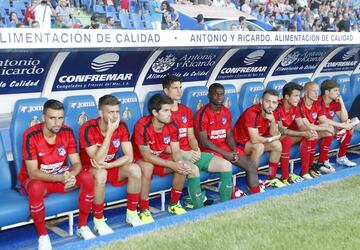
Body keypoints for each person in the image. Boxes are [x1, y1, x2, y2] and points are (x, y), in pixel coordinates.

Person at [18, 100, 95, 250]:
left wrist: (71, 175)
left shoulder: (67, 132)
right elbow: (33, 173)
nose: (57, 123)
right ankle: (43, 236)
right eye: (52, 118)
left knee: (87, 177)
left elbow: (77, 163)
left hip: (61, 177)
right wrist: (60, 178)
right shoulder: (31, 135)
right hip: (39, 180)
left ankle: (82, 227)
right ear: (43, 117)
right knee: (35, 187)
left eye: (60, 118)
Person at [163, 75, 234, 204]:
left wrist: (195, 149)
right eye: (175, 88)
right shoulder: (162, 113)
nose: (179, 91)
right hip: (173, 155)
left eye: (180, 88)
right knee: (193, 169)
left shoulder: (186, 111)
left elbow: (191, 136)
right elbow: (162, 146)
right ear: (166, 91)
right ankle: (197, 208)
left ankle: (226, 206)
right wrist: (185, 153)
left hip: (190, 153)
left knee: (226, 165)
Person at [133, 94, 202, 223]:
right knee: (148, 167)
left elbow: (176, 152)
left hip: (160, 157)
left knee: (182, 164)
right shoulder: (142, 126)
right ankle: (143, 209)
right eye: (165, 110)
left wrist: (179, 163)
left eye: (170, 110)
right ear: (154, 112)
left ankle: (174, 204)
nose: (170, 114)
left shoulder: (172, 125)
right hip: (140, 160)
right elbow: (146, 156)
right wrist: (172, 165)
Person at [79, 95, 144, 234]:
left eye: (117, 112)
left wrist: (110, 165)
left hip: (109, 167)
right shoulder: (87, 128)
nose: (115, 116)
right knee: (101, 173)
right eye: (110, 112)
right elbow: (97, 160)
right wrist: (109, 134)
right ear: (100, 113)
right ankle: (98, 221)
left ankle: (132, 214)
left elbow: (129, 156)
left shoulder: (122, 125)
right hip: (89, 169)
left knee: (135, 169)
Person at [195, 83, 260, 194]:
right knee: (227, 165)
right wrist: (225, 153)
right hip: (209, 149)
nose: (219, 97)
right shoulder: (202, 114)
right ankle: (231, 194)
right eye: (216, 94)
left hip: (224, 146)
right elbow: (204, 142)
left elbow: (229, 134)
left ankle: (256, 194)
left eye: (221, 94)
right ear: (209, 95)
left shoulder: (226, 111)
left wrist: (233, 149)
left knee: (251, 166)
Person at [233, 90, 284, 188]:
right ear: (261, 101)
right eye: (267, 101)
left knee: (277, 145)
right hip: (240, 142)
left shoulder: (274, 113)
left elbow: (273, 134)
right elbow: (255, 140)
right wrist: (270, 139)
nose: (270, 105)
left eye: (274, 102)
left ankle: (272, 178)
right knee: (259, 147)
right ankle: (253, 182)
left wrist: (273, 121)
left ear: (277, 104)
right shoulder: (252, 112)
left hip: (256, 141)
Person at [290, 82, 335, 179]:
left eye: (317, 91)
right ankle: (304, 171)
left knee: (328, 133)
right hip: (295, 134)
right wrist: (325, 127)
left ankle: (319, 164)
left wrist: (329, 127)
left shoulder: (317, 104)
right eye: (313, 91)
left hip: (307, 132)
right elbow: (307, 126)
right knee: (310, 134)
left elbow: (323, 120)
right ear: (305, 92)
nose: (316, 93)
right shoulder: (300, 105)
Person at [275, 82, 313, 183]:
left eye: (299, 96)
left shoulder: (295, 107)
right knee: (286, 138)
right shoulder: (277, 106)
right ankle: (285, 176)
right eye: (296, 96)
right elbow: (281, 130)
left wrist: (308, 131)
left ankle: (305, 172)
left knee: (308, 135)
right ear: (287, 96)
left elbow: (301, 125)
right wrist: (302, 133)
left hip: (281, 136)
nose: (299, 99)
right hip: (270, 137)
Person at [315, 80, 356, 171]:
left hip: (326, 128)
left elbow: (344, 119)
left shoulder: (334, 103)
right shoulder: (318, 101)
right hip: (315, 129)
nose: (338, 93)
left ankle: (341, 157)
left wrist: (341, 103)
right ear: (327, 92)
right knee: (330, 129)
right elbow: (323, 120)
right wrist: (342, 125)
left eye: (338, 90)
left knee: (349, 128)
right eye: (335, 90)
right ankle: (323, 161)